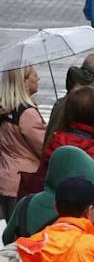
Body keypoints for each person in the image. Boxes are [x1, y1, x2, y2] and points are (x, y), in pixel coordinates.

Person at [0, 66, 45, 218]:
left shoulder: (5, 109)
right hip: (23, 183)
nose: (38, 78)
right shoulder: (27, 113)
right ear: (24, 81)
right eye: (34, 75)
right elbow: (44, 148)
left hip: (3, 179)